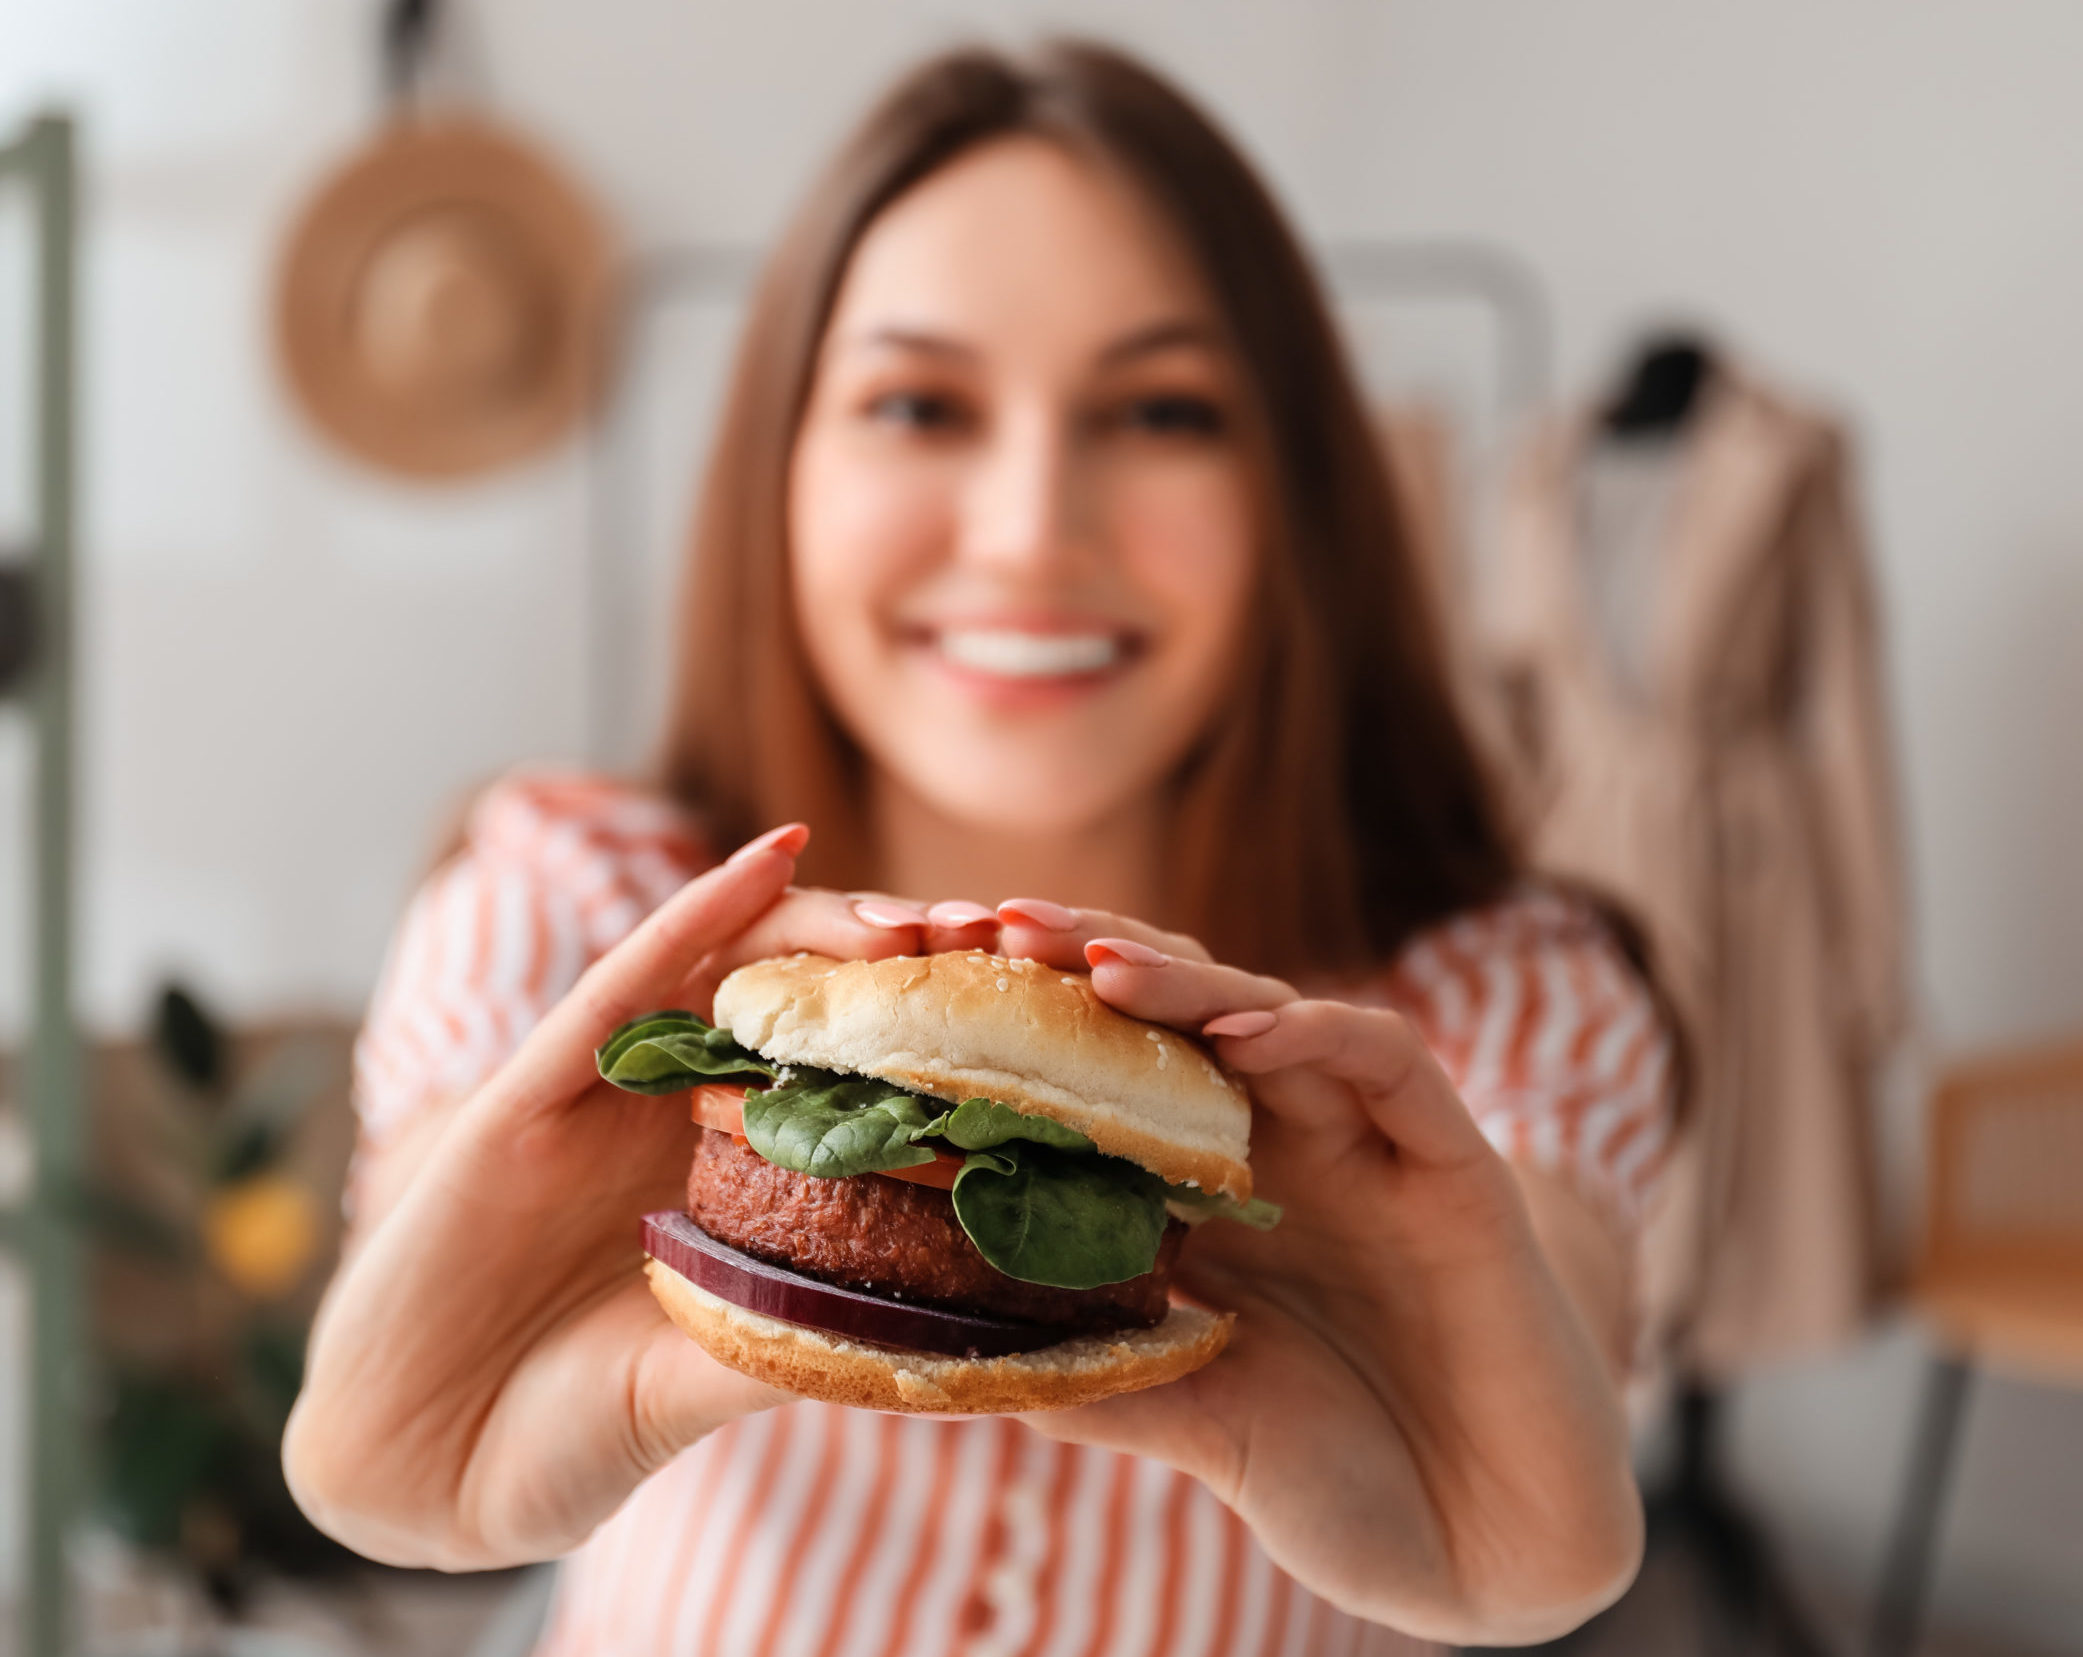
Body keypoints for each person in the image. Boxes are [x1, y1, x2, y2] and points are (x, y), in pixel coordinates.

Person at [284, 40, 1674, 1657]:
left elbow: (1542, 1376)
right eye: (917, 403)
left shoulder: (1489, 1004)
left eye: (1164, 408)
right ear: (780, 467)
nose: (1028, 528)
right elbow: (406, 1334)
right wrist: (411, 1429)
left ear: (1298, 490)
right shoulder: (574, 905)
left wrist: (1503, 1510)